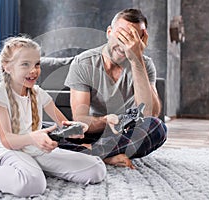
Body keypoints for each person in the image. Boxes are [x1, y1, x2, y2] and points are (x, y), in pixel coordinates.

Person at [0, 36, 106, 197]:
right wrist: (34, 138)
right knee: (32, 184)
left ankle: (34, 168)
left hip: (36, 150)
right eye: (25, 64)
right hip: (10, 151)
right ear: (7, 66)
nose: (33, 70)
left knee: (96, 169)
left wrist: (75, 129)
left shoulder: (38, 93)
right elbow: (7, 140)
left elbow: (63, 123)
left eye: (37, 64)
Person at [63, 8, 167, 168]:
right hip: (94, 133)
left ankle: (88, 153)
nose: (125, 45)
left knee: (157, 128)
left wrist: (136, 60)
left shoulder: (144, 64)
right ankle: (105, 155)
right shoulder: (84, 62)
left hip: (128, 134)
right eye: (122, 35)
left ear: (141, 42)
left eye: (133, 39)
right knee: (47, 133)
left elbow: (149, 114)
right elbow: (81, 119)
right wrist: (107, 120)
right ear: (109, 32)